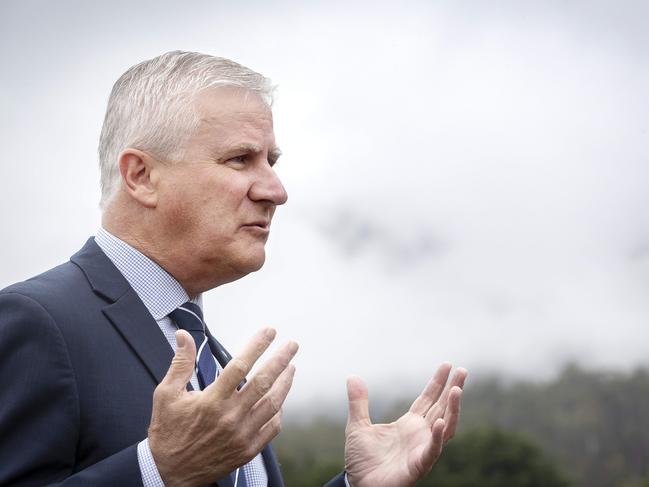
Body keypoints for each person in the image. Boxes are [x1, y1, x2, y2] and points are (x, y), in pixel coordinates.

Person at [0, 51, 467, 487]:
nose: (275, 190)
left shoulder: (211, 358)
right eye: (240, 159)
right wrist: (157, 472)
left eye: (271, 161)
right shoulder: (34, 321)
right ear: (141, 176)